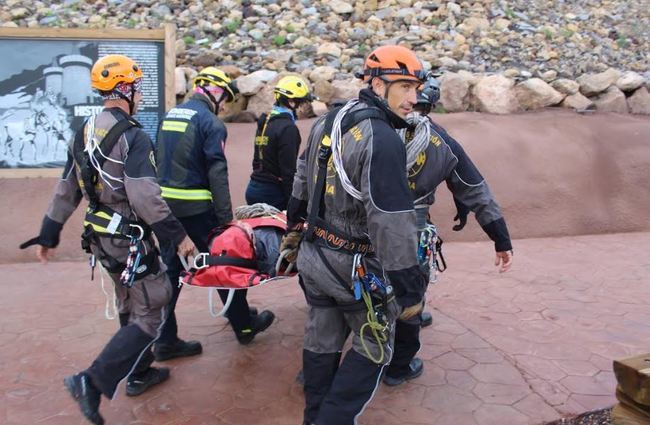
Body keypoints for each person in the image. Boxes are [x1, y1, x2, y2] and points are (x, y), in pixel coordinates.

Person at [20, 54, 196, 425]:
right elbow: (145, 196)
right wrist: (179, 237)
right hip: (130, 240)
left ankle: (140, 370)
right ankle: (92, 380)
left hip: (101, 239)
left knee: (128, 302)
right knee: (152, 310)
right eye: (137, 86)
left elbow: (67, 187)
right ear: (125, 88)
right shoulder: (132, 136)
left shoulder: (85, 130)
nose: (141, 93)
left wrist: (49, 233)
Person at [281, 45, 428, 425]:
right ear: (377, 85)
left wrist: (294, 230)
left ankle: (313, 417)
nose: (415, 98)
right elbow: (390, 219)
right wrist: (409, 287)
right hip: (354, 269)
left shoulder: (327, 122)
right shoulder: (382, 137)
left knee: (321, 340)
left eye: (417, 88)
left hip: (314, 258)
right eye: (406, 87)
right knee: (376, 346)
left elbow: (300, 180)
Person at [383, 75, 514, 387]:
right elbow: (476, 191)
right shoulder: (440, 140)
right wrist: (501, 239)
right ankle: (399, 366)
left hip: (363, 227)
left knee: (371, 285)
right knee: (411, 293)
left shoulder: (367, 129)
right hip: (411, 227)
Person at [155, 66, 275, 350]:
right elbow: (217, 174)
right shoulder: (210, 123)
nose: (224, 106)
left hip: (165, 212)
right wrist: (226, 222)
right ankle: (244, 326)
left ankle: (164, 339)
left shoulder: (168, 116)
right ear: (216, 92)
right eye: (225, 99)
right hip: (197, 210)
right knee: (225, 264)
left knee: (170, 273)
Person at [245, 75, 314, 210]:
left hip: (253, 188)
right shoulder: (289, 129)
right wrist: (293, 206)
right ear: (292, 102)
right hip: (272, 194)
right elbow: (288, 172)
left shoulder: (265, 121)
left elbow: (257, 161)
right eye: (302, 103)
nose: (304, 108)